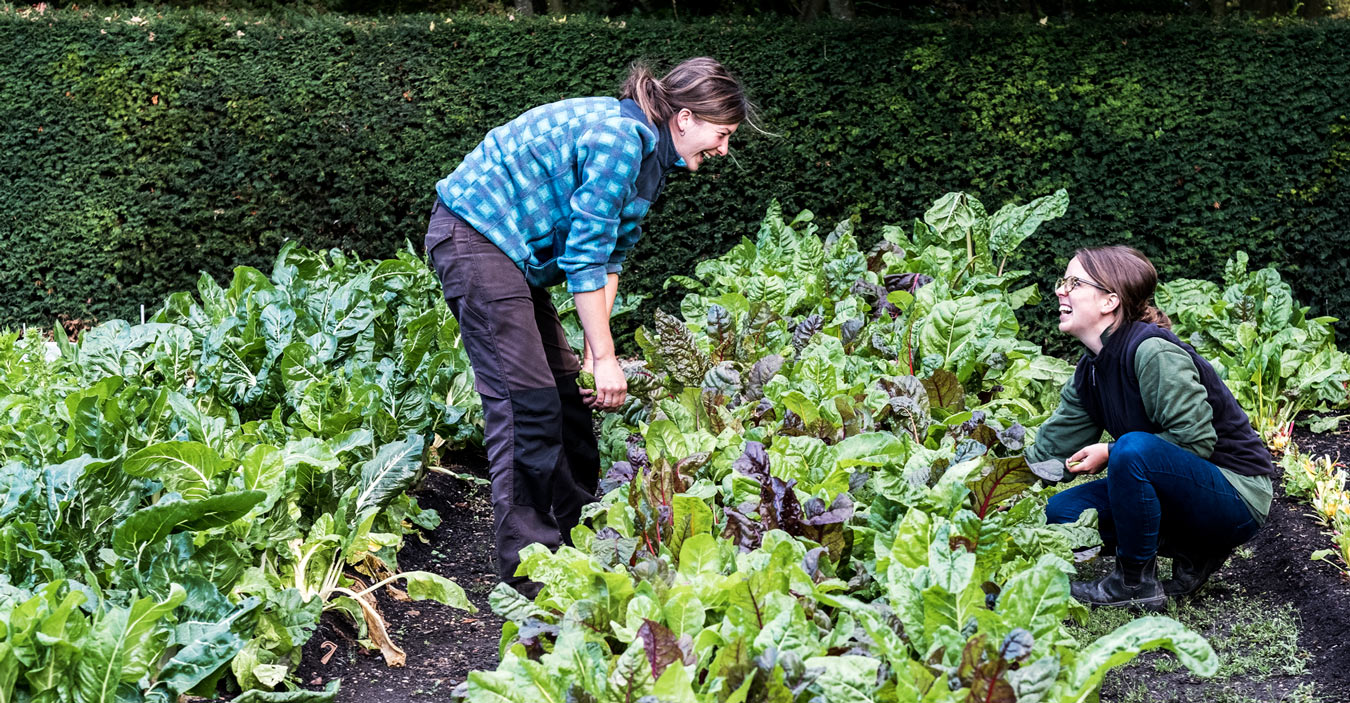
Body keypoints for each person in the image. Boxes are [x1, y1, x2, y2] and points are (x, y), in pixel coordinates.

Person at [424, 58, 751, 595]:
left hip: (509, 252)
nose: (722, 149)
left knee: (563, 393)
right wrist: (603, 357)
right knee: (525, 402)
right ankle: (531, 571)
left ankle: (580, 535)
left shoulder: (649, 155)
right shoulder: (622, 138)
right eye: (721, 134)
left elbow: (610, 259)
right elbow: (585, 254)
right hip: (475, 235)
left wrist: (596, 351)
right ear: (686, 118)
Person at [1025, 245, 1274, 610]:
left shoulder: (1153, 352)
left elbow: (1194, 441)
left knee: (1132, 450)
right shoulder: (1091, 369)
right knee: (1063, 514)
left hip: (1235, 494)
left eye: (1074, 282)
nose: (1061, 290)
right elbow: (1050, 450)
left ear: (1109, 301)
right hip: (1177, 484)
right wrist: (988, 485)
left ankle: (1133, 583)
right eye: (1063, 281)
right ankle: (1194, 549)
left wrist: (1110, 452)